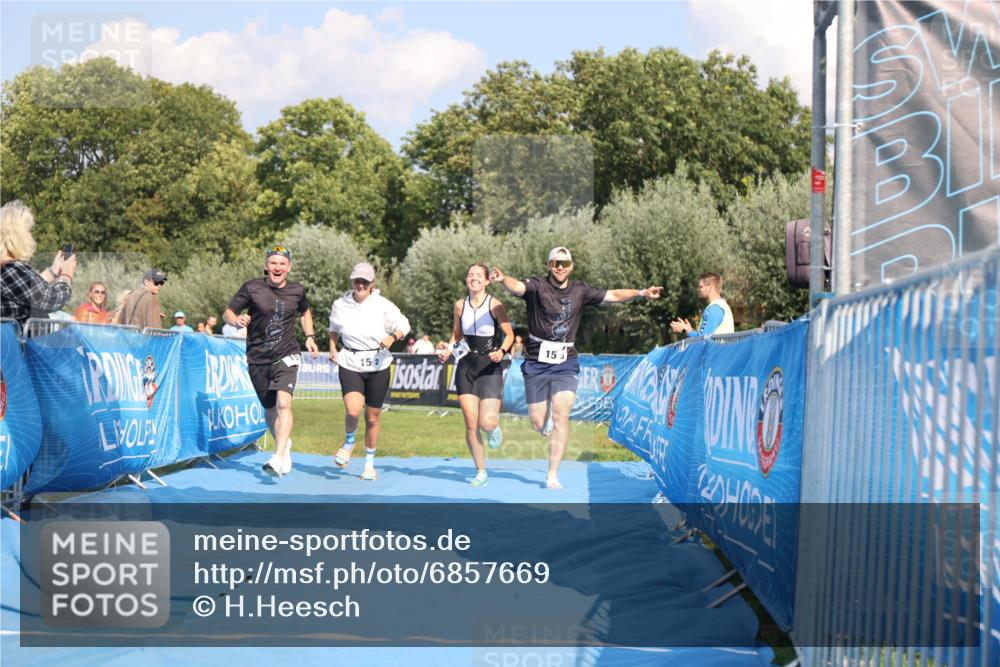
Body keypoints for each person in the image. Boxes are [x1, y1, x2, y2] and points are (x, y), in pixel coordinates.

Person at [491, 246, 662, 489]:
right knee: (539, 423)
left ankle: (552, 474)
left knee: (563, 415)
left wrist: (642, 292)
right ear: (550, 265)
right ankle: (544, 420)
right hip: (536, 360)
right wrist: (502, 280)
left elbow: (612, 295)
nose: (560, 267)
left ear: (571, 266)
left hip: (565, 361)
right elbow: (517, 286)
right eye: (556, 263)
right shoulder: (537, 286)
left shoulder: (580, 290)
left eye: (565, 263)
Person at [223, 245, 319, 476]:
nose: (277, 267)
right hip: (257, 357)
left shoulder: (297, 290)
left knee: (284, 404)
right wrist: (237, 321)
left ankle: (276, 457)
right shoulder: (252, 287)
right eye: (273, 263)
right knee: (269, 409)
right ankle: (284, 446)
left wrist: (310, 336)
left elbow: (305, 312)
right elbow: (228, 312)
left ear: (289, 267)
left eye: (282, 263)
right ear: (266, 266)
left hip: (287, 353)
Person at [328, 262, 410, 481]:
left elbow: (404, 324)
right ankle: (349, 441)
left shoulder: (383, 304)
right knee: (353, 411)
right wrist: (333, 347)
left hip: (378, 363)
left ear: (372, 283)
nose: (361, 284)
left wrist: (393, 337)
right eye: (357, 280)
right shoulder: (340, 304)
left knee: (372, 417)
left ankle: (369, 464)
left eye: (365, 281)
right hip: (350, 361)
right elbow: (333, 329)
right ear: (352, 281)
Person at [438, 263, 514, 486]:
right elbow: (457, 336)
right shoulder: (459, 305)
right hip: (466, 366)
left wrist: (501, 351)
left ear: (487, 281)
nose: (474, 278)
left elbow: (509, 334)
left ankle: (492, 429)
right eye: (470, 274)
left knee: (486, 423)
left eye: (479, 275)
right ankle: (481, 471)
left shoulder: (495, 305)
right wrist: (448, 351)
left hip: (490, 366)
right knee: (471, 423)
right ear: (466, 279)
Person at [0, 200, 76, 328]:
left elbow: (27, 291)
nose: (31, 236)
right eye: (28, 231)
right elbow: (49, 300)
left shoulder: (8, 270)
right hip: (19, 346)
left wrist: (53, 271)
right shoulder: (10, 269)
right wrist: (66, 275)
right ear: (18, 235)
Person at [670, 272, 734, 337]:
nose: (698, 289)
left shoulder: (714, 308)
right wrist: (689, 330)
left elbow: (703, 338)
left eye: (701, 287)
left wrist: (684, 330)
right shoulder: (723, 305)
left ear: (710, 288)